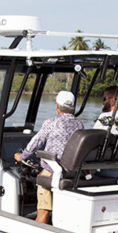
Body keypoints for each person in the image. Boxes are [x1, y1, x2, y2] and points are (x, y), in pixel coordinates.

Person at [13, 91, 84, 224]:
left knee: (43, 210)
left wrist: (21, 156)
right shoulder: (79, 124)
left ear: (57, 106)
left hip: (52, 171)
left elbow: (36, 143)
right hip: (71, 172)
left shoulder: (51, 122)